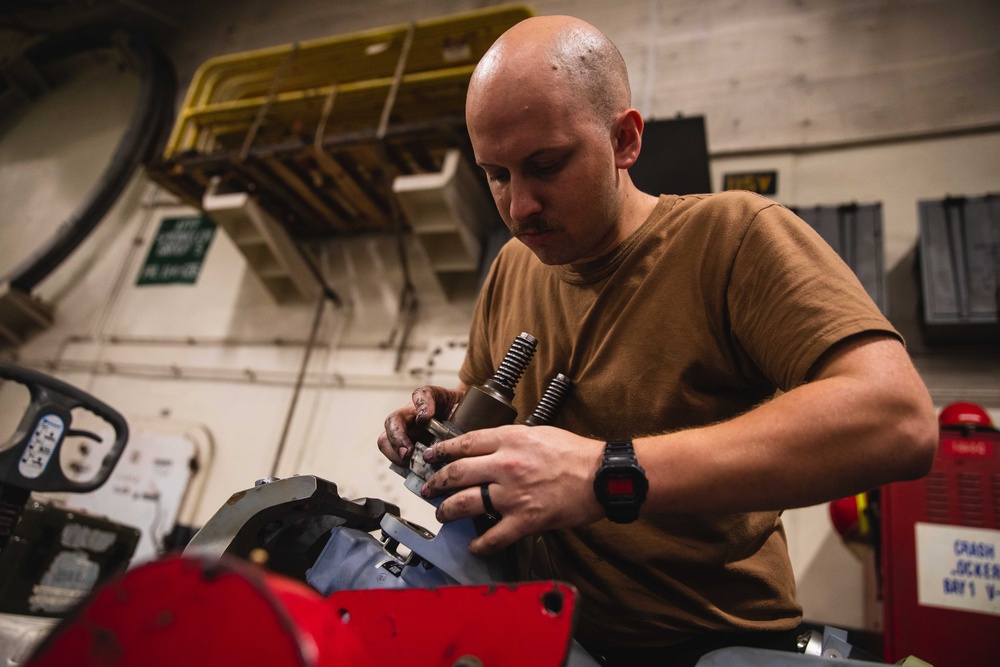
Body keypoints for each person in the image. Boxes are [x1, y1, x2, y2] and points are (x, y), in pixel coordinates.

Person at [377, 14, 938, 666]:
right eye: (496, 175)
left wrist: (604, 473)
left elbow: (898, 421)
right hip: (546, 627)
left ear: (624, 139)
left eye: (546, 165)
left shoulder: (732, 238)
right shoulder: (512, 266)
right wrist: (447, 416)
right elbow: (500, 409)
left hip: (711, 640)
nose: (519, 205)